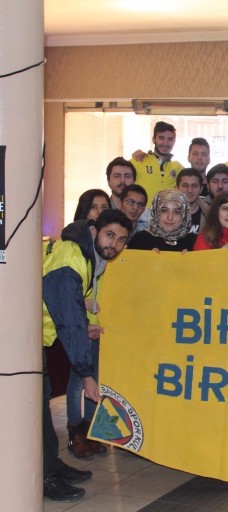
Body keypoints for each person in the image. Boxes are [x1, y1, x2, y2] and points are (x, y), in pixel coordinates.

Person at [42, 209, 132, 501]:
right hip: (19, 337)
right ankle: (44, 476)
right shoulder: (71, 260)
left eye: (121, 239)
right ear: (94, 231)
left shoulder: (89, 257)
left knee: (40, 405)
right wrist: (85, 374)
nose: (114, 244)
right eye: (110, 235)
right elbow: (68, 318)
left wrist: (86, 326)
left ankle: (50, 464)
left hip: (34, 334)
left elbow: (71, 307)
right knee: (35, 409)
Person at [64, 189, 112, 459]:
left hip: (100, 323)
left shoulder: (109, 245)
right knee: (78, 378)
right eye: (94, 207)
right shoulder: (73, 246)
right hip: (79, 322)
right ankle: (75, 431)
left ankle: (90, 430)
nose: (99, 212)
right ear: (84, 210)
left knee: (96, 377)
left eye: (104, 207)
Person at [130, 121, 184, 205]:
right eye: (161, 138)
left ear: (174, 142)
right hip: (140, 212)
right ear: (153, 139)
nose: (165, 143)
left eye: (170, 139)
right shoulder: (138, 160)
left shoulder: (178, 167)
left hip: (167, 213)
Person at [127, 189, 197, 251]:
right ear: (155, 212)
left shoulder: (194, 241)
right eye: (164, 211)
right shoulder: (140, 239)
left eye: (176, 212)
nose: (170, 217)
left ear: (184, 215)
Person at [176, 168, 210, 235]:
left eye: (194, 186)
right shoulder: (165, 214)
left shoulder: (210, 215)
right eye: (185, 186)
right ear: (177, 188)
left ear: (201, 189)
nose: (190, 190)